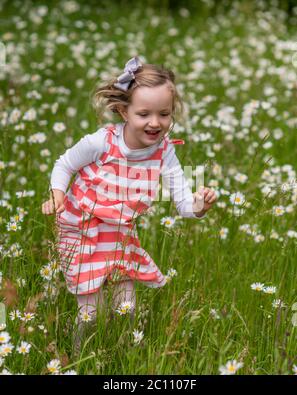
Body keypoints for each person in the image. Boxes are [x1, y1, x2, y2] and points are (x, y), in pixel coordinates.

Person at [41, 56, 217, 353]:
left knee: (127, 306)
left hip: (120, 233)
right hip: (83, 229)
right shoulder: (102, 143)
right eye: (144, 113)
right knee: (92, 310)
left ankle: (120, 355)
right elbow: (64, 164)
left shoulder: (164, 152)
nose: (155, 122)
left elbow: (184, 204)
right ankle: (78, 357)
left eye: (164, 114)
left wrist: (199, 205)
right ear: (124, 111)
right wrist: (58, 192)